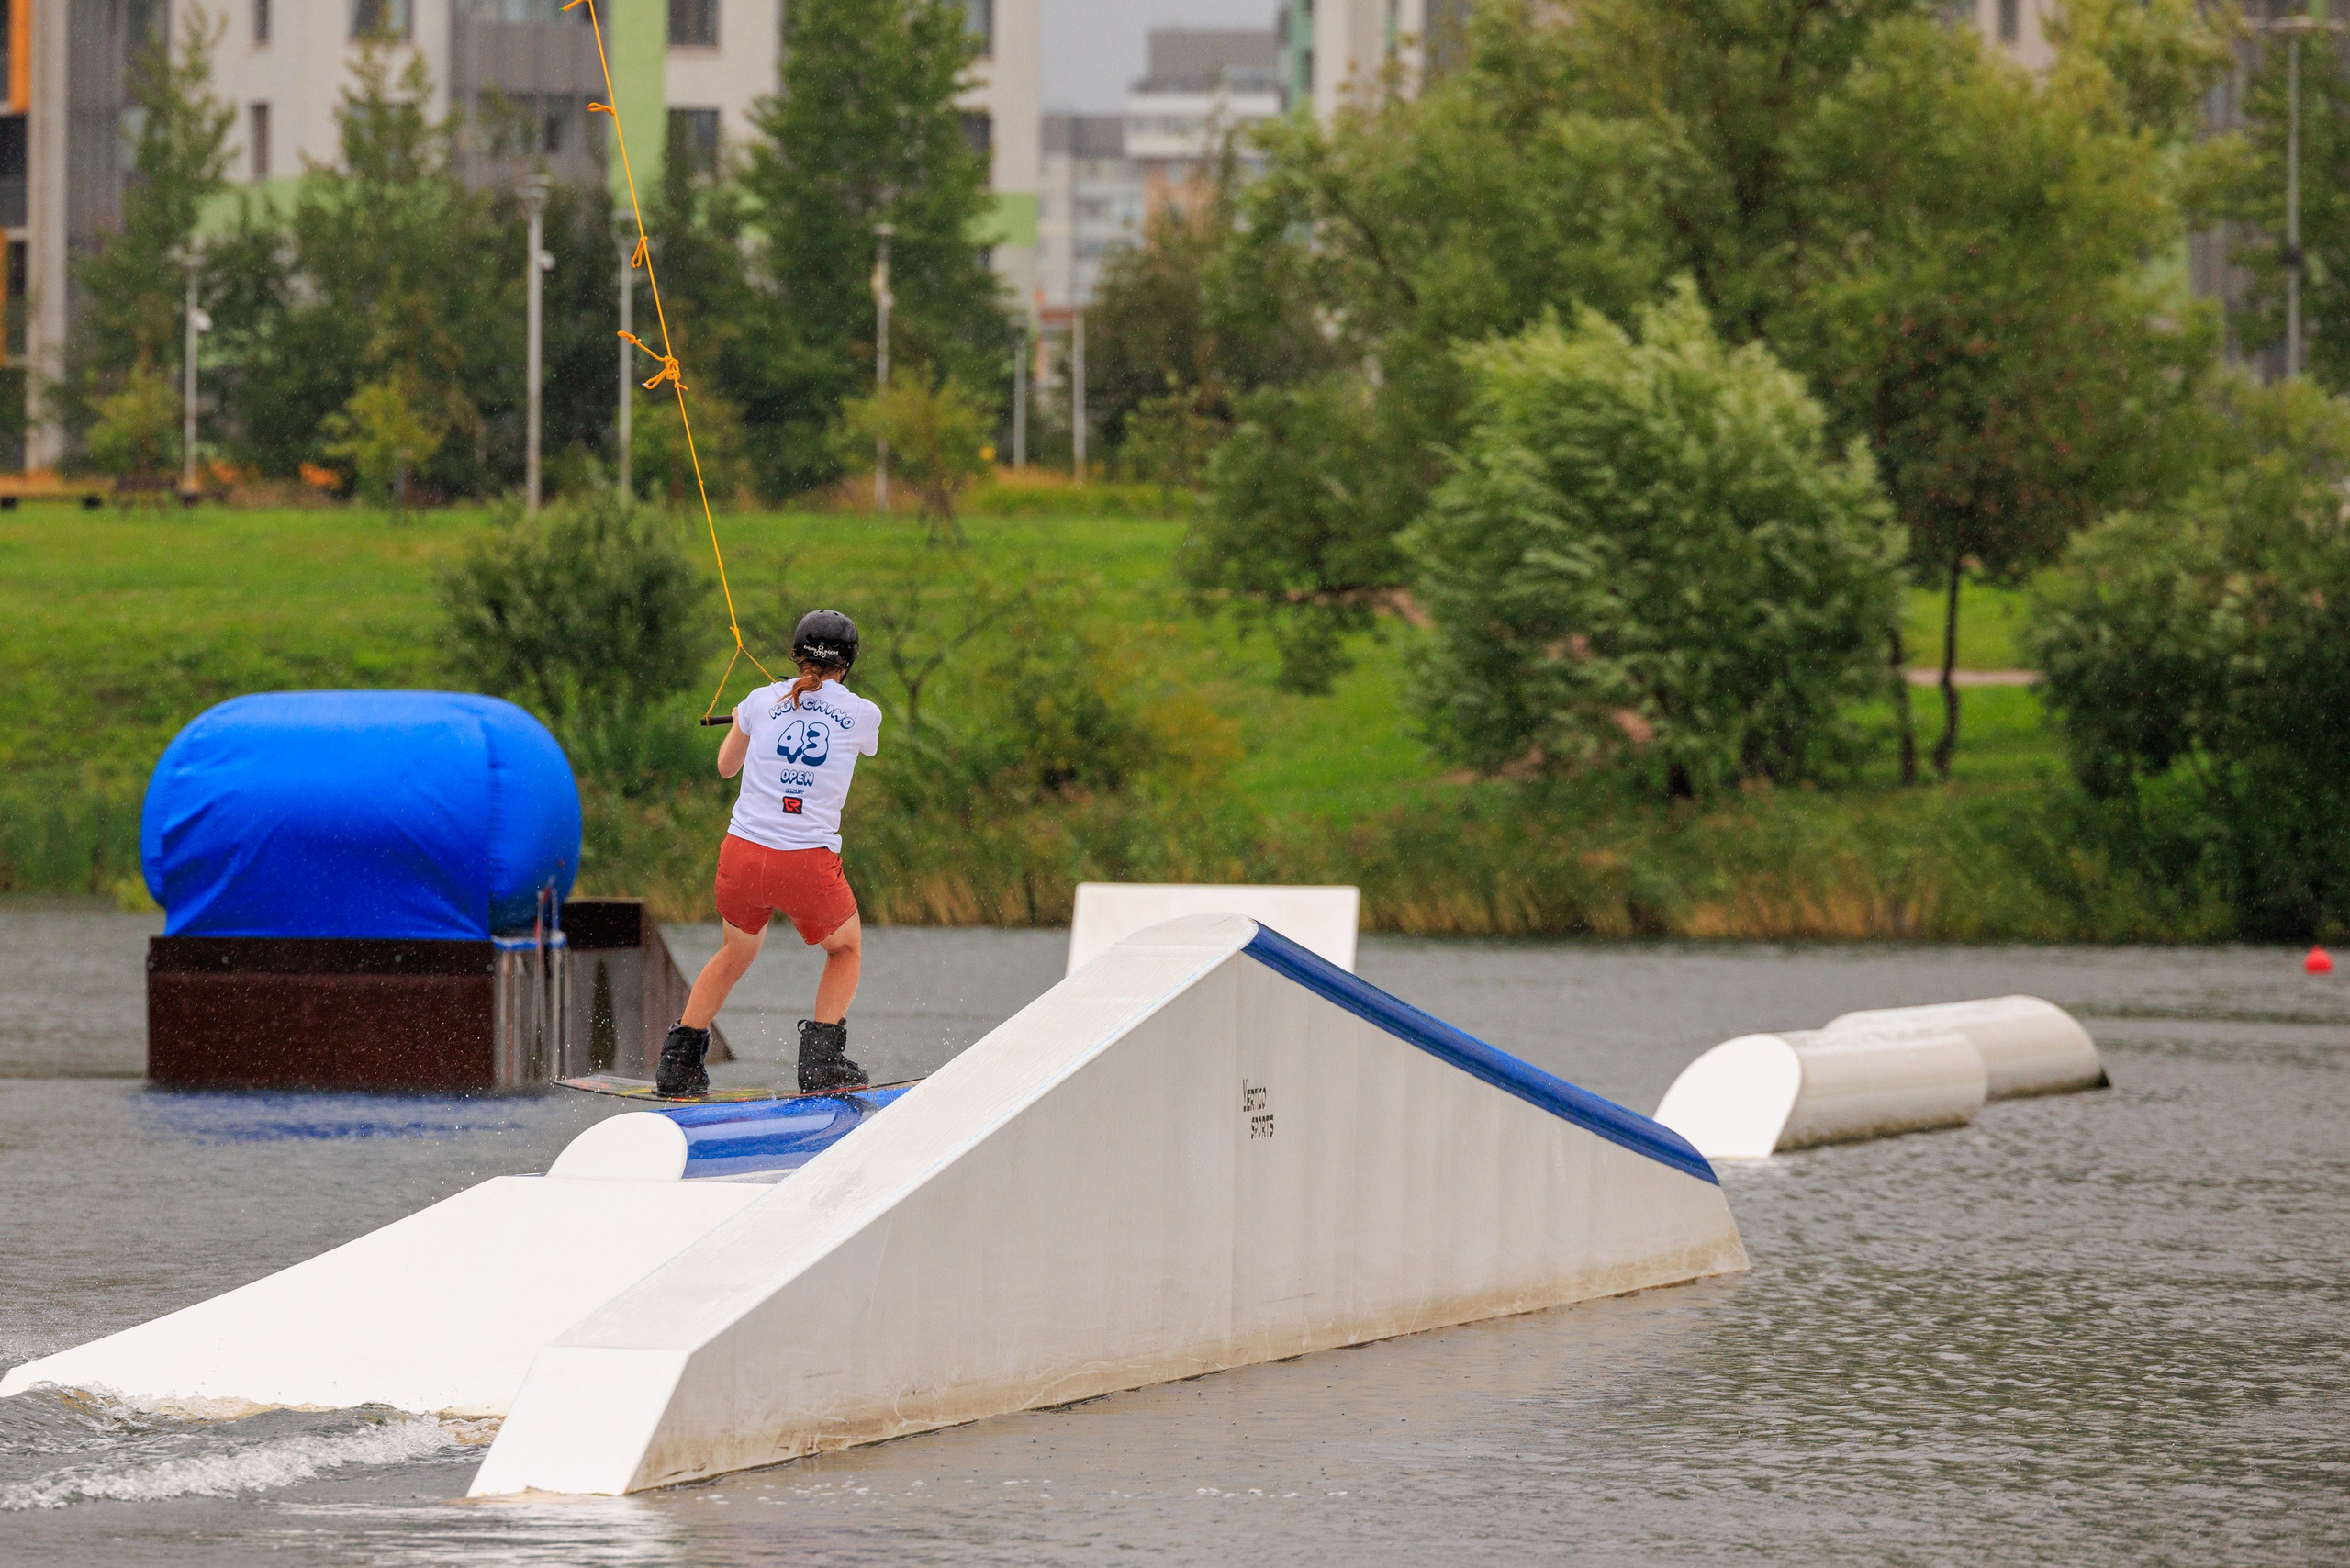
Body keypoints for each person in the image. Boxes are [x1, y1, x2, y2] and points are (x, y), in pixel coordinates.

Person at [657, 610, 883, 1098]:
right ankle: (821, 1062)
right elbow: (853, 739)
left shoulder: (760, 700)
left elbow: (724, 766)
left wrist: (742, 720)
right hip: (805, 862)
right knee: (844, 949)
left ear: (796, 652)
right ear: (848, 663)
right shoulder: (865, 714)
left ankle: (678, 1064)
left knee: (735, 952)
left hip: (742, 857)